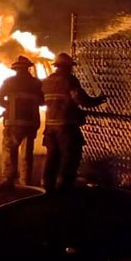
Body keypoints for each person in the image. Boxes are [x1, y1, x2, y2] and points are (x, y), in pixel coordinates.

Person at [41, 52, 106, 194]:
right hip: (66, 125)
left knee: (52, 155)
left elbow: (41, 101)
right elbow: (80, 99)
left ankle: (47, 184)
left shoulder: (46, 82)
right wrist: (98, 100)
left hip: (50, 126)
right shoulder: (70, 80)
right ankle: (64, 185)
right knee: (70, 155)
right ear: (67, 67)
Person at [0, 55, 44, 191]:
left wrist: (7, 106)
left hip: (14, 123)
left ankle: (8, 180)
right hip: (31, 123)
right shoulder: (36, 83)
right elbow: (43, 101)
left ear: (15, 69)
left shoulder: (10, 82)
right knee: (27, 152)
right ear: (28, 68)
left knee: (10, 150)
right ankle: (26, 181)